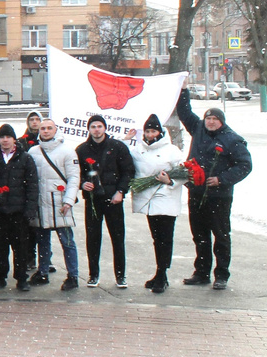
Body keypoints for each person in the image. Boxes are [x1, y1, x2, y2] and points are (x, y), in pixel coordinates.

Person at [176, 90, 252, 290]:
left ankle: (221, 274)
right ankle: (201, 272)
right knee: (199, 235)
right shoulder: (199, 128)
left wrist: (221, 179)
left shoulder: (232, 139)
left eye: (214, 119)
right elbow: (184, 112)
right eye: (208, 118)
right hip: (197, 192)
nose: (210, 122)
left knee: (220, 235)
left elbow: (244, 165)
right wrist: (183, 90)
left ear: (222, 121)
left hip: (219, 196)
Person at [76, 114, 135, 288]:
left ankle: (120, 275)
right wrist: (82, 184)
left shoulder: (117, 147)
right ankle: (93, 274)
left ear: (105, 128)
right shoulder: (82, 150)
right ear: (89, 129)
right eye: (93, 126)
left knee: (118, 238)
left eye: (99, 126)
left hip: (113, 199)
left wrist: (121, 192)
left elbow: (128, 171)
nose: (96, 130)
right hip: (93, 201)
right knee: (93, 238)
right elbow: (75, 173)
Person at [0, 124, 38, 292]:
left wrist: (30, 209)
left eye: (8, 137)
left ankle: (21, 278)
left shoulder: (25, 158)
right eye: (2, 137)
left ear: (14, 139)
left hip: (19, 212)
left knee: (21, 248)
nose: (5, 140)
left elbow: (32, 186)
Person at [130, 114, 184, 293]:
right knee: (156, 239)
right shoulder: (138, 149)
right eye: (147, 131)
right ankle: (160, 272)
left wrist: (169, 181)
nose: (150, 134)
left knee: (165, 238)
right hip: (149, 199)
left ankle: (162, 274)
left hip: (166, 198)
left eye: (153, 131)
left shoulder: (172, 150)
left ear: (160, 132)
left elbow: (183, 173)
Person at [27, 119, 81, 292]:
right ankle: (42, 272)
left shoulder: (67, 151)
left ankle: (73, 275)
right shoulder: (33, 151)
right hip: (40, 203)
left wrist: (69, 200)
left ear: (56, 130)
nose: (46, 131)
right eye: (43, 128)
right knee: (42, 241)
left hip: (59, 203)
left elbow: (73, 178)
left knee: (67, 241)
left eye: (49, 128)